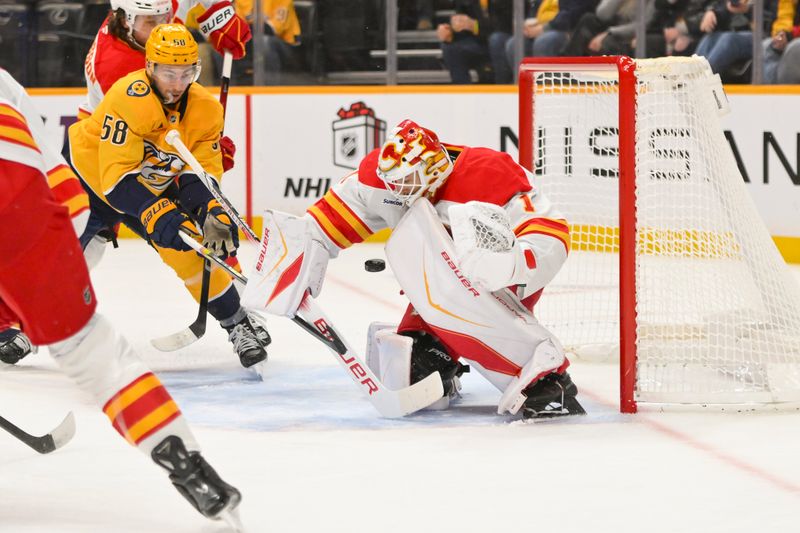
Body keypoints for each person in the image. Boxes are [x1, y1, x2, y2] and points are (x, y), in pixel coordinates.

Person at [0, 69, 241, 522]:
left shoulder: (195, 105)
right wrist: (47, 279)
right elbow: (65, 185)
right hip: (32, 206)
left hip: (55, 198)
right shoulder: (10, 82)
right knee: (98, 356)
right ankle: (187, 462)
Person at [272, 119, 585, 419]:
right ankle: (444, 363)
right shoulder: (385, 179)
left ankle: (548, 382)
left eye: (406, 182)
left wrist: (510, 264)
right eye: (393, 182)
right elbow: (327, 221)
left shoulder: (489, 172)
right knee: (413, 376)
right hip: (435, 288)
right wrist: (294, 258)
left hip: (499, 284)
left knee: (497, 338)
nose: (397, 191)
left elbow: (550, 232)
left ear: (435, 170)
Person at [0, 0, 253, 364]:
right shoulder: (119, 72)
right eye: (150, 22)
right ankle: (14, 322)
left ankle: (236, 317)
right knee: (58, 250)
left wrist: (218, 12)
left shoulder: (152, 27)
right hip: (97, 163)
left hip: (146, 155)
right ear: (125, 20)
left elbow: (184, 26)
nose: (161, 24)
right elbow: (126, 168)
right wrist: (184, 168)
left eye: (164, 18)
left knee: (188, 245)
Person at [69, 24, 271, 369]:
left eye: (186, 73)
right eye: (167, 72)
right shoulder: (127, 97)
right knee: (63, 255)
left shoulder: (206, 111)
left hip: (146, 179)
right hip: (87, 174)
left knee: (189, 248)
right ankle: (17, 323)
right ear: (150, 67)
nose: (177, 84)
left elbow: (197, 174)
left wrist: (210, 210)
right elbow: (116, 179)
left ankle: (237, 324)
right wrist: (157, 212)